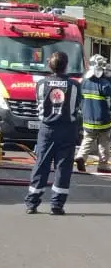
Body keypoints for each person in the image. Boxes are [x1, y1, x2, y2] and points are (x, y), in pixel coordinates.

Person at [24, 52, 81, 215]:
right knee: (63, 167)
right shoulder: (75, 86)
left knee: (41, 164)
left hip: (47, 129)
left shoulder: (41, 84)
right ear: (66, 65)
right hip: (67, 130)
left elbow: (39, 104)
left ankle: (32, 203)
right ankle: (57, 205)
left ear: (50, 65)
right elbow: (77, 106)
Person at [74, 55, 111, 174]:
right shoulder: (105, 84)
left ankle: (81, 156)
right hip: (103, 121)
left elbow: (77, 100)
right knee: (104, 143)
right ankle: (103, 165)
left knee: (87, 139)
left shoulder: (83, 83)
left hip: (87, 120)